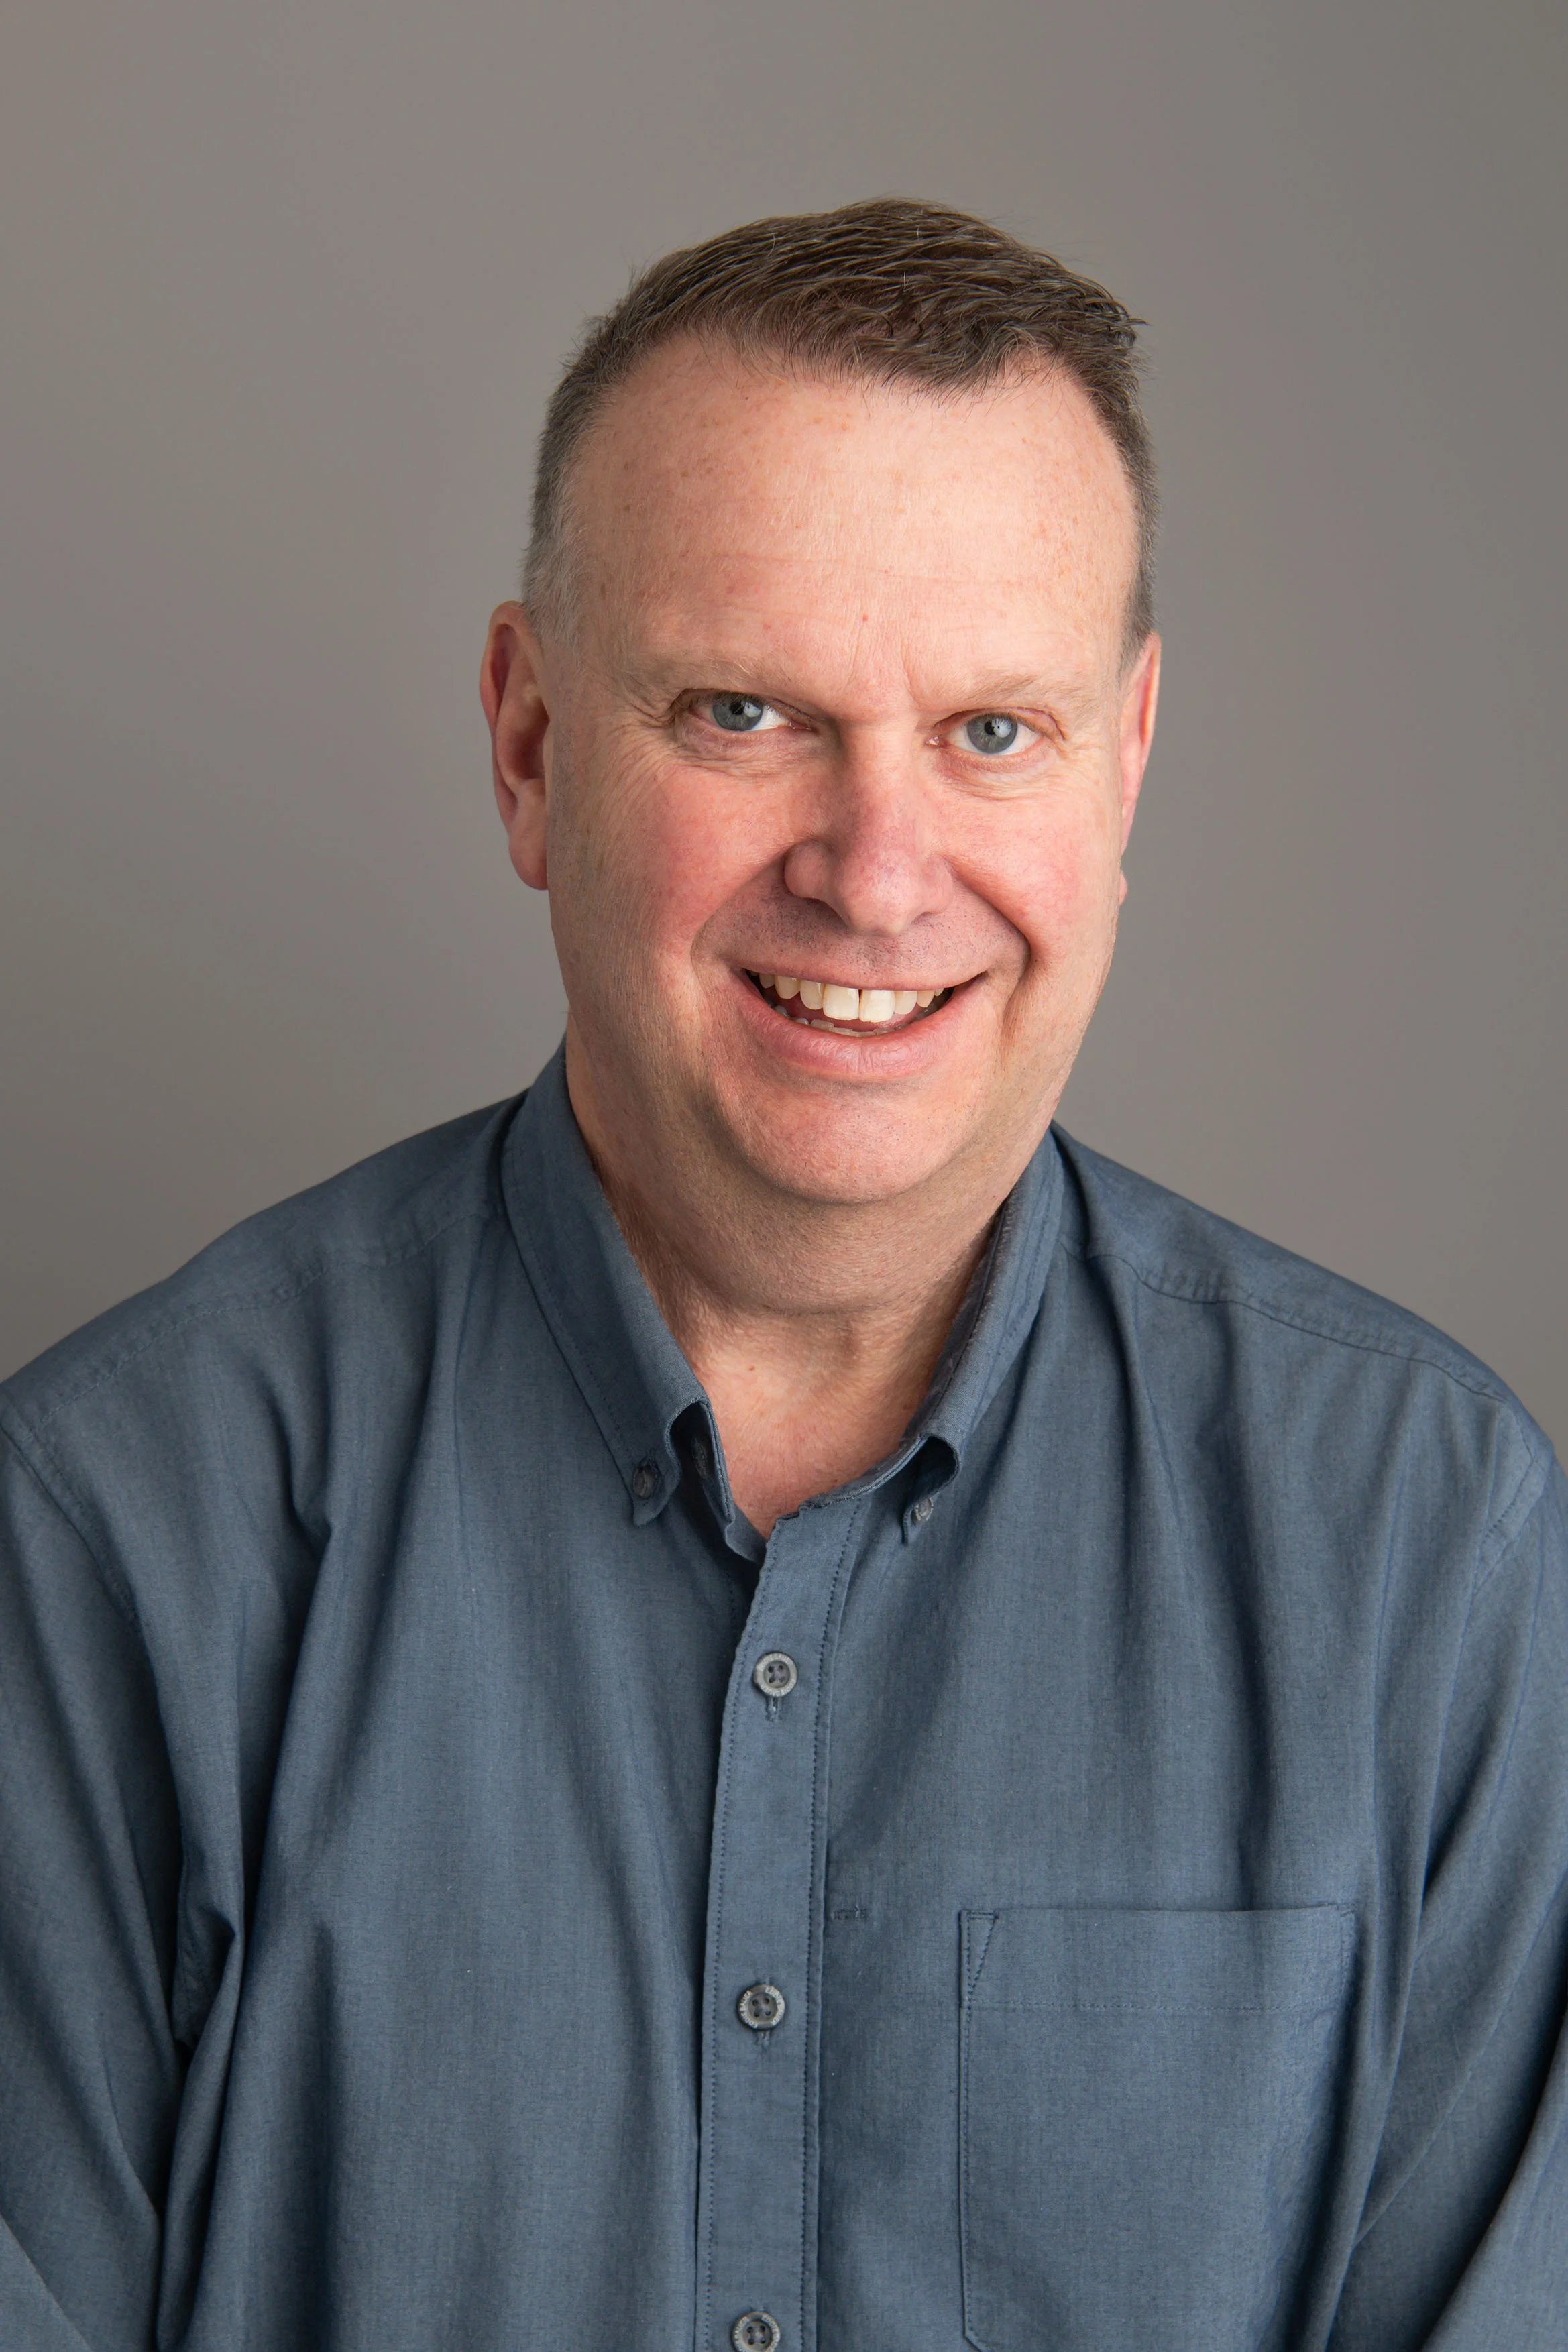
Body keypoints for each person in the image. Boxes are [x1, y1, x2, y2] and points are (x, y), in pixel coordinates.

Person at [1, 198, 1563, 2352]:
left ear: (1126, 760)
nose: (877, 869)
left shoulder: (1428, 1557)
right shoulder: (109, 1538)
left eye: (991, 733)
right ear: (532, 744)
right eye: (746, 712)